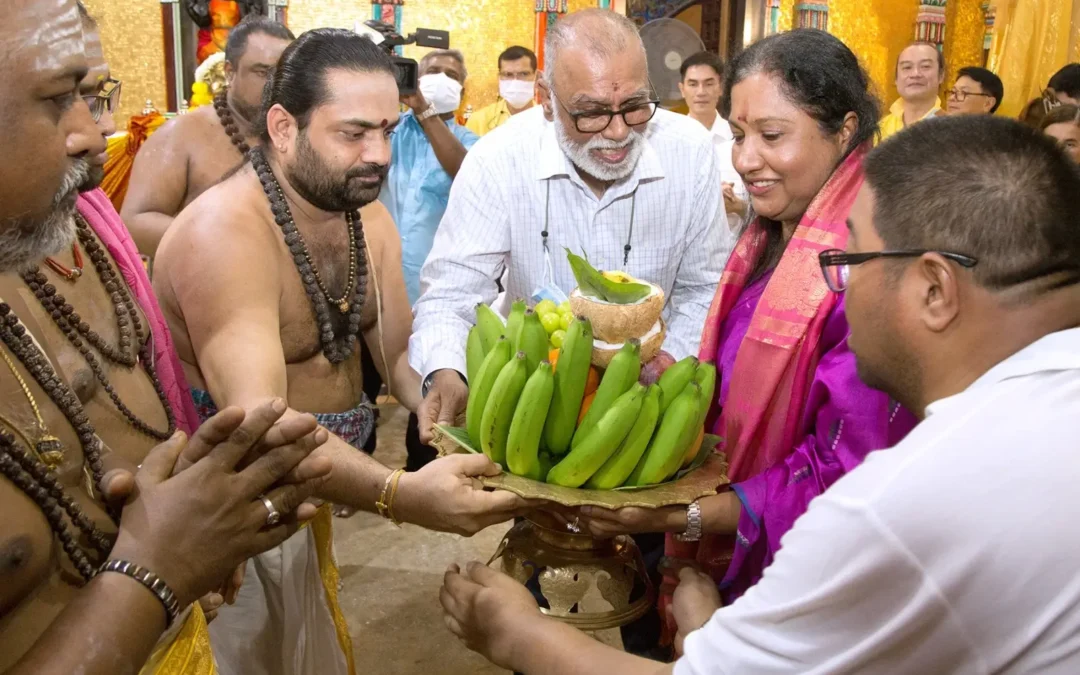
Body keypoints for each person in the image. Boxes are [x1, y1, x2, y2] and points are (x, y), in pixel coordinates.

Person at [439, 113, 1080, 675]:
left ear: (936, 290)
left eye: (849, 260)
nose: (839, 289)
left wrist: (518, 635)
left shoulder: (903, 506)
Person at [153, 29, 533, 675]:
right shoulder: (226, 234)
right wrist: (399, 492)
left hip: (308, 496)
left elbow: (398, 352)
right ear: (282, 126)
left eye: (386, 130)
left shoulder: (364, 216)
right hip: (228, 512)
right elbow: (261, 424)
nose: (378, 154)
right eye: (353, 133)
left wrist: (438, 397)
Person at [0, 1, 331, 672]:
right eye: (59, 97)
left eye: (94, 95)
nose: (96, 136)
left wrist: (194, 524)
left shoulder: (67, 229)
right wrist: (158, 566)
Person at [571, 27, 916, 630]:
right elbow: (736, 379)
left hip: (799, 581)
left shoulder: (864, 266)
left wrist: (687, 517)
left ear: (844, 130)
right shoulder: (769, 235)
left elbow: (850, 470)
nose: (745, 159)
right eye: (737, 134)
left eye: (772, 135)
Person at [413, 8, 729, 446]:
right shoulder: (496, 160)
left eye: (636, 106)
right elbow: (453, 293)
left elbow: (705, 288)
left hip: (652, 409)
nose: (618, 132)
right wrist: (446, 368)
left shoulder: (690, 152)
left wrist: (667, 364)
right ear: (545, 96)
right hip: (536, 412)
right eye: (591, 113)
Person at [121, 14, 294, 258]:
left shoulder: (299, 133)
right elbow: (135, 223)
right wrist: (226, 245)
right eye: (263, 72)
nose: (275, 84)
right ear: (230, 73)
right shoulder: (181, 135)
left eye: (284, 74)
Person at [380, 48, 478, 470]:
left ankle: (427, 464)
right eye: (431, 71)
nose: (440, 78)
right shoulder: (389, 131)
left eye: (451, 74)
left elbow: (464, 172)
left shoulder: (471, 143)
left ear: (463, 86)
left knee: (432, 374)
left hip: (433, 287)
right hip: (379, 281)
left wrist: (425, 110)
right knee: (365, 379)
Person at [679, 51, 749, 235]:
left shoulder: (741, 139)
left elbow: (760, 210)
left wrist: (737, 206)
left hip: (734, 252)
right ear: (682, 89)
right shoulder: (670, 143)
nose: (701, 92)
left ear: (721, 88)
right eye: (693, 84)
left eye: (709, 84)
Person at [466, 45, 538, 136]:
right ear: (499, 77)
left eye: (523, 74)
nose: (515, 81)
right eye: (508, 74)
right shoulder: (479, 120)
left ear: (536, 76)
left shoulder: (548, 121)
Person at [879, 41, 944, 140]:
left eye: (925, 66)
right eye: (907, 67)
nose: (915, 74)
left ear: (941, 76)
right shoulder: (880, 130)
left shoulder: (951, 129)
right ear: (896, 78)